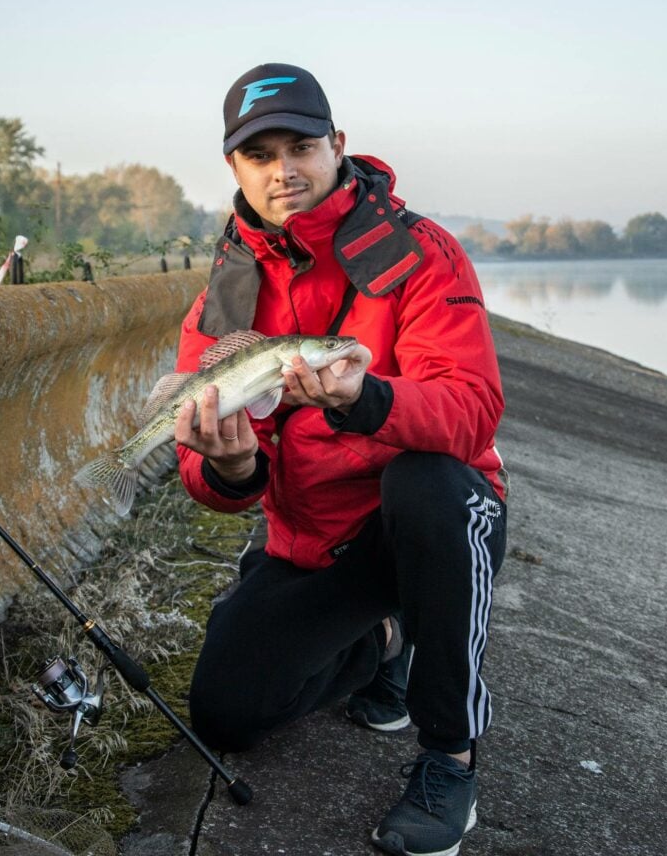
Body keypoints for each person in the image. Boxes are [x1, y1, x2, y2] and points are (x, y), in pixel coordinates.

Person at [174, 62, 508, 856]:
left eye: (302, 146)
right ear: (236, 169)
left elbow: (472, 411)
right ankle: (383, 644)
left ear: (338, 146)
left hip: (424, 523)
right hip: (312, 541)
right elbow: (210, 479)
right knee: (227, 713)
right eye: (260, 155)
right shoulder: (227, 288)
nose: (283, 170)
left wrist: (368, 400)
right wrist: (229, 468)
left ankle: (449, 761)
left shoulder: (422, 253)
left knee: (429, 480)